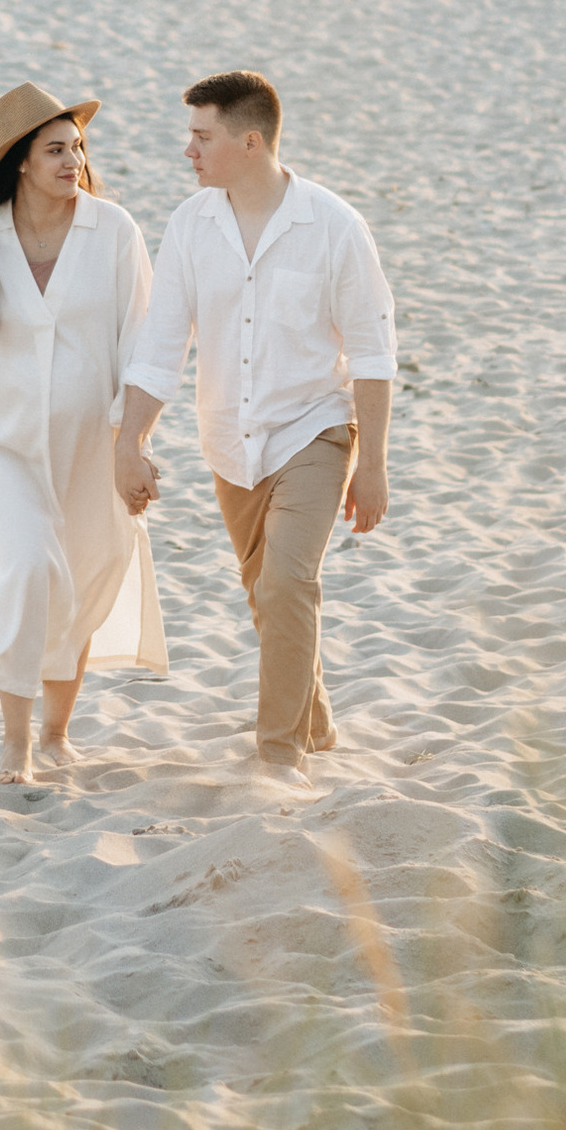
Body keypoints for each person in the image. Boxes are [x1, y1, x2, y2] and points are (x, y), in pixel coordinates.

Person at [115, 71, 396, 774]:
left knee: (286, 585)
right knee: (267, 594)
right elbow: (161, 346)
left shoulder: (334, 227)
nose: (189, 151)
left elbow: (372, 353)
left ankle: (278, 758)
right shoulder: (191, 225)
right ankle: (315, 724)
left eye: (202, 137)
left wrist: (373, 464)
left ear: (250, 142)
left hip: (314, 431)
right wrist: (131, 442)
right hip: (230, 442)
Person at [0, 79, 166, 786]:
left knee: (84, 576)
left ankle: (58, 733)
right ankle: (16, 745)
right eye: (55, 150)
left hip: (94, 445)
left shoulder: (113, 230)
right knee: (31, 566)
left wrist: (133, 443)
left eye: (77, 147)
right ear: (21, 163)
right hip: (1, 445)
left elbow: (144, 341)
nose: (73, 161)